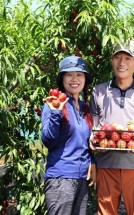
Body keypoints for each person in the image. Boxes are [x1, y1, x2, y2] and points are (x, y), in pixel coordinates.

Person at [90, 40, 134, 215]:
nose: (122, 63)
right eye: (117, 57)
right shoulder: (98, 92)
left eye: (128, 58)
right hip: (107, 166)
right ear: (111, 60)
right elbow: (94, 125)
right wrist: (93, 138)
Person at [41, 56, 96, 215]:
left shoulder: (85, 108)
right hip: (61, 178)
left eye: (79, 75)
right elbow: (48, 141)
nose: (74, 79)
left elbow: (86, 142)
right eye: (69, 74)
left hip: (82, 179)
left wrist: (92, 162)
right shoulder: (53, 104)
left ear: (85, 79)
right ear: (62, 79)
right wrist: (56, 111)